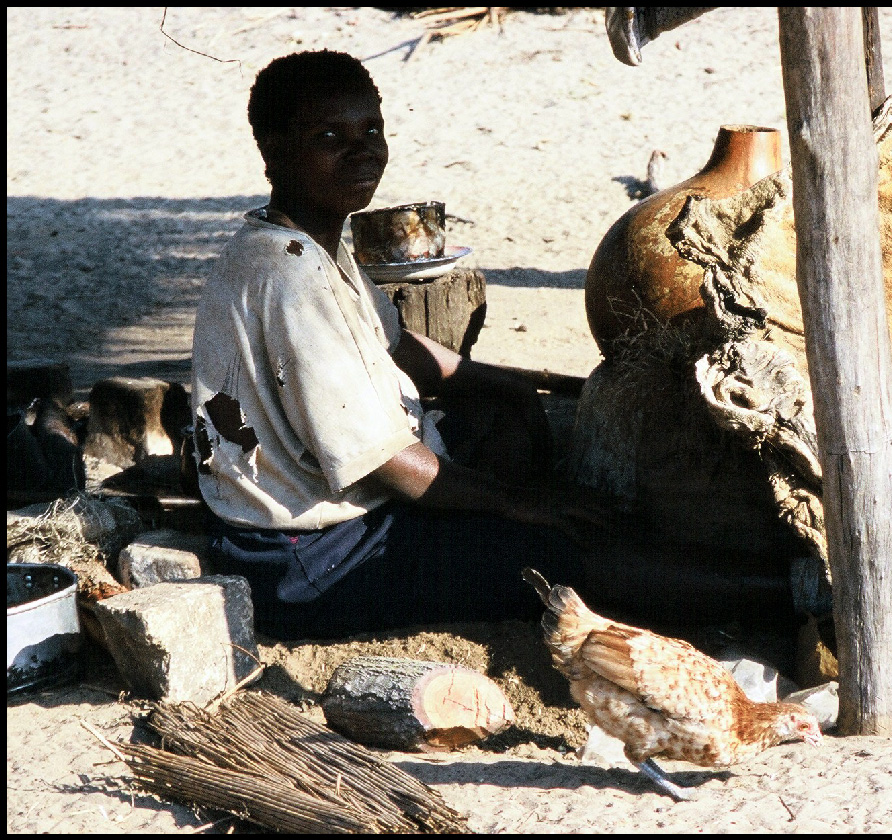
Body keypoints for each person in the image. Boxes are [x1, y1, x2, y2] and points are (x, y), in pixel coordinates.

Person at [192, 50, 602, 640]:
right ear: (273, 149)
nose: (362, 151)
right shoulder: (290, 275)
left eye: (372, 130)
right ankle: (770, 592)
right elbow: (384, 459)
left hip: (341, 505)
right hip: (308, 555)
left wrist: (518, 383)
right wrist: (515, 502)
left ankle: (493, 540)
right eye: (330, 136)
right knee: (558, 555)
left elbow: (397, 346)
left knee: (501, 413)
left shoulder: (311, 242)